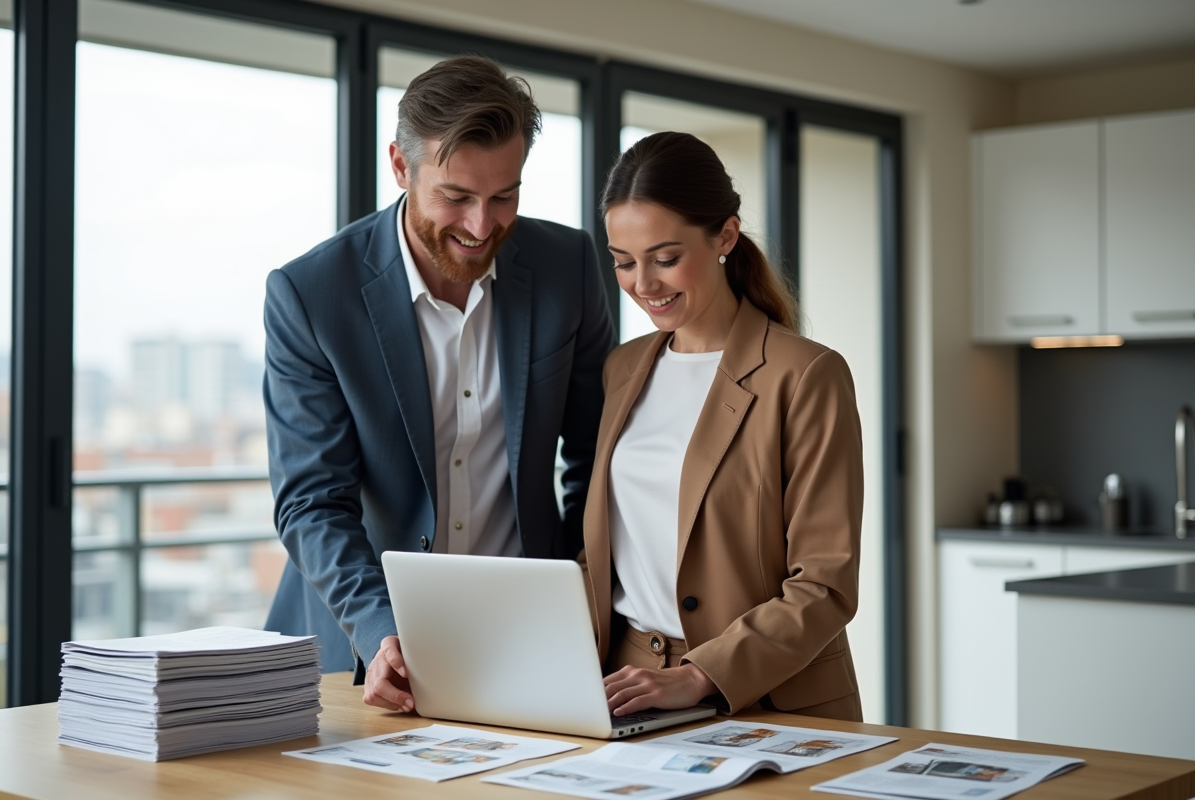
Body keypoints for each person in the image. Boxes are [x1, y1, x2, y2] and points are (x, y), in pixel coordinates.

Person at [263, 55, 615, 711]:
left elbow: (597, 456)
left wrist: (578, 601)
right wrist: (381, 628)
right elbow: (312, 500)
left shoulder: (566, 267)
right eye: (456, 197)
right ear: (400, 165)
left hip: (526, 643)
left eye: (504, 196)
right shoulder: (311, 295)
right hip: (359, 654)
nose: (483, 226)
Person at [580, 131, 864, 721]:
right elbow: (610, 551)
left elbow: (825, 584)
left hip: (770, 695)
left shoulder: (807, 375)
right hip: (627, 687)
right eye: (624, 263)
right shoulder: (623, 369)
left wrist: (700, 674)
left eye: (665, 258)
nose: (643, 285)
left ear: (725, 237)